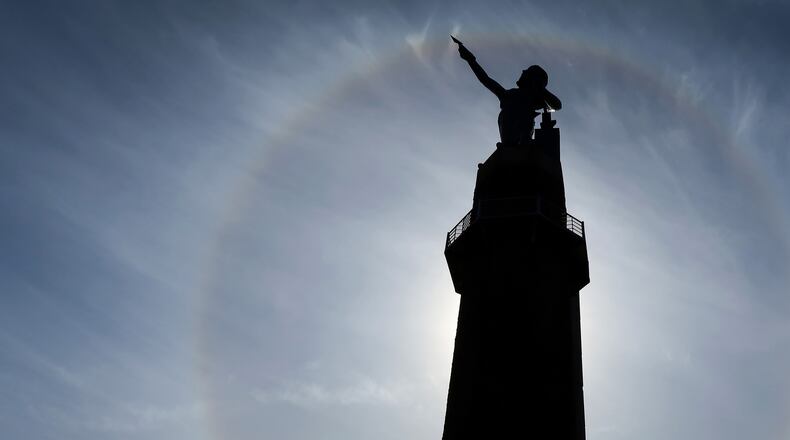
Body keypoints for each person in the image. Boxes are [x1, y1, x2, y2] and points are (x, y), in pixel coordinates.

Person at [454, 37, 561, 145]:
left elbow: (557, 105)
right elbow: (486, 80)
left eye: (527, 71)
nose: (523, 71)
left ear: (532, 79)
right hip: (508, 144)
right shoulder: (510, 95)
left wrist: (540, 89)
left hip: (523, 144)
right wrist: (471, 60)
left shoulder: (533, 99)